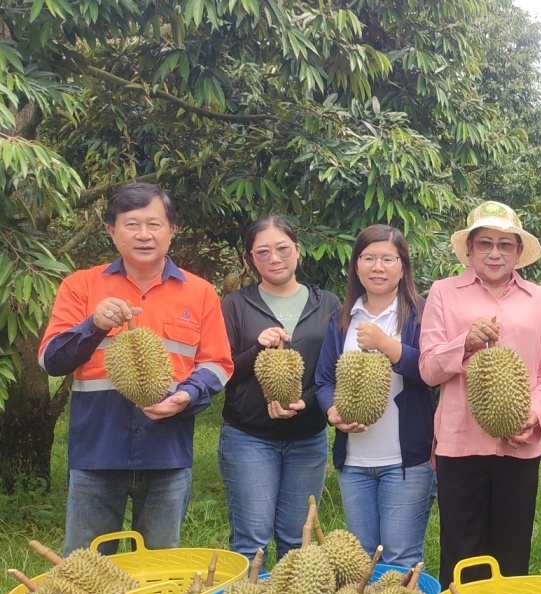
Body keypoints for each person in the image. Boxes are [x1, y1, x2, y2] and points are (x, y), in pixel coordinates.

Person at [39, 182, 233, 553]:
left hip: (168, 449)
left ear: (171, 231)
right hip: (98, 448)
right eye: (131, 224)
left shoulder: (200, 292)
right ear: (112, 232)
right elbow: (51, 360)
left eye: (154, 224)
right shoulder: (81, 286)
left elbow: (218, 364)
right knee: (87, 566)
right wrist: (92, 325)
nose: (144, 235)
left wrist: (187, 395)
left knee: (159, 566)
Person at [419, 201, 541, 584]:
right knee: (461, 548)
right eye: (485, 243)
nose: (495, 253)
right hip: (460, 441)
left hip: (519, 442)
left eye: (505, 244)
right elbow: (429, 369)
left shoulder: (540, 299)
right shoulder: (443, 293)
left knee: (512, 546)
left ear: (519, 252)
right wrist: (464, 343)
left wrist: (533, 414)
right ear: (469, 249)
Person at [219, 215, 341, 563]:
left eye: (282, 249)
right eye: (263, 252)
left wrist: (305, 402)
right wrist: (258, 349)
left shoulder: (327, 304)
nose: (274, 258)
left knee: (297, 539)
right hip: (249, 436)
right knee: (251, 538)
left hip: (308, 437)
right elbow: (220, 371)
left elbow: (333, 371)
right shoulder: (235, 305)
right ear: (251, 258)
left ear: (298, 251)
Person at [315, 224, 436, 569]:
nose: (378, 267)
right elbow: (324, 380)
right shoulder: (341, 319)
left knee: (400, 557)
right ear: (356, 265)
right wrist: (332, 410)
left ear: (403, 266)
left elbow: (432, 372)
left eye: (388, 258)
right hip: (354, 461)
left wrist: (388, 346)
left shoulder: (421, 314)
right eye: (369, 258)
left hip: (406, 461)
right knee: (361, 559)